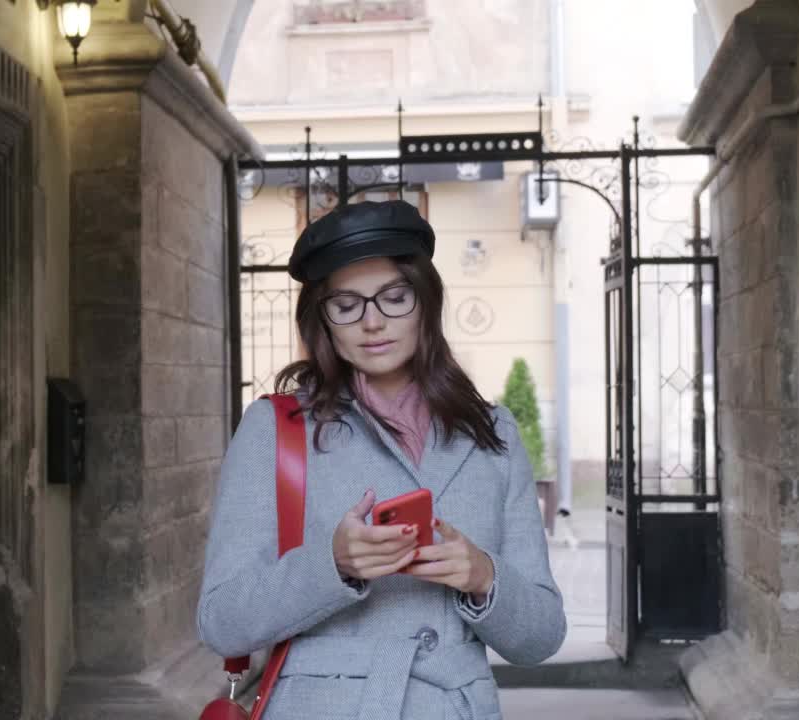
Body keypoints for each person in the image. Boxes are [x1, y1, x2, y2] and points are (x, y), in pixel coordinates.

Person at [197, 200, 565, 720]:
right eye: (346, 305)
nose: (373, 322)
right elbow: (221, 621)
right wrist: (333, 565)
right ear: (322, 320)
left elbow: (543, 636)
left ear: (425, 303)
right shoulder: (278, 430)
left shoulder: (492, 433)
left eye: (394, 297)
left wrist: (484, 576)